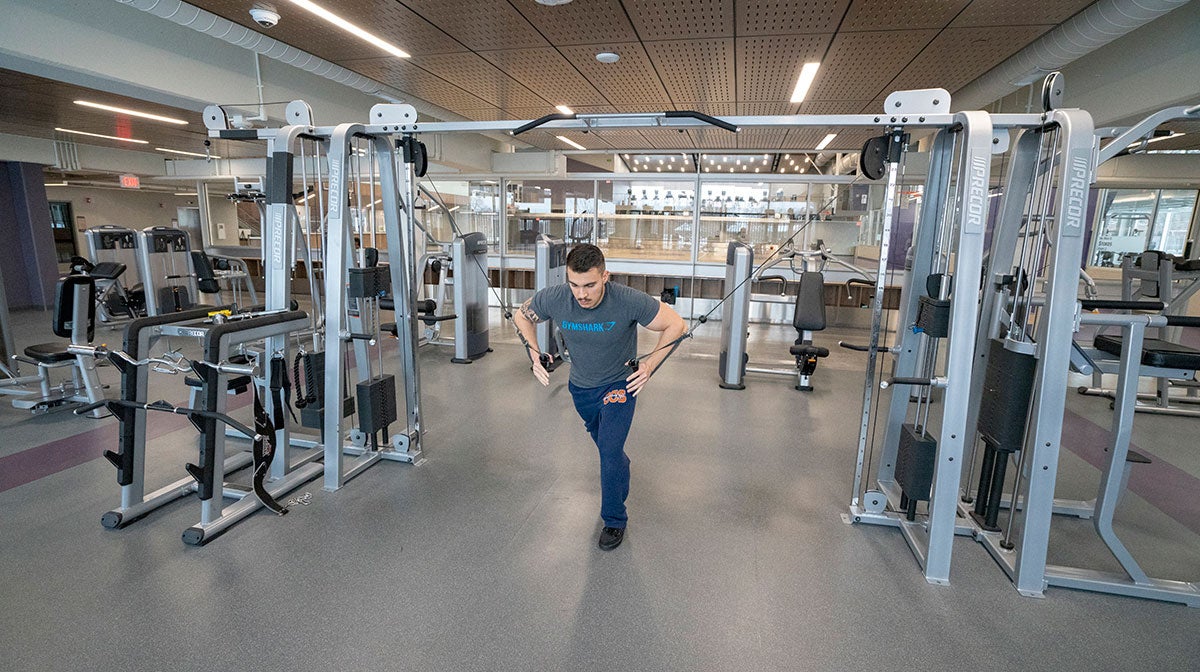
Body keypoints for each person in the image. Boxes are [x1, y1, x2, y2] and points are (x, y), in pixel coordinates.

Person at [513, 244, 686, 550]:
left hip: (619, 386)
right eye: (575, 285)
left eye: (590, 285)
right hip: (580, 388)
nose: (582, 294)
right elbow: (521, 316)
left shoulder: (627, 300)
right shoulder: (554, 297)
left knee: (607, 449)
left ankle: (614, 520)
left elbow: (676, 324)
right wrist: (532, 351)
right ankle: (620, 463)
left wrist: (649, 365)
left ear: (605, 276)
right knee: (612, 452)